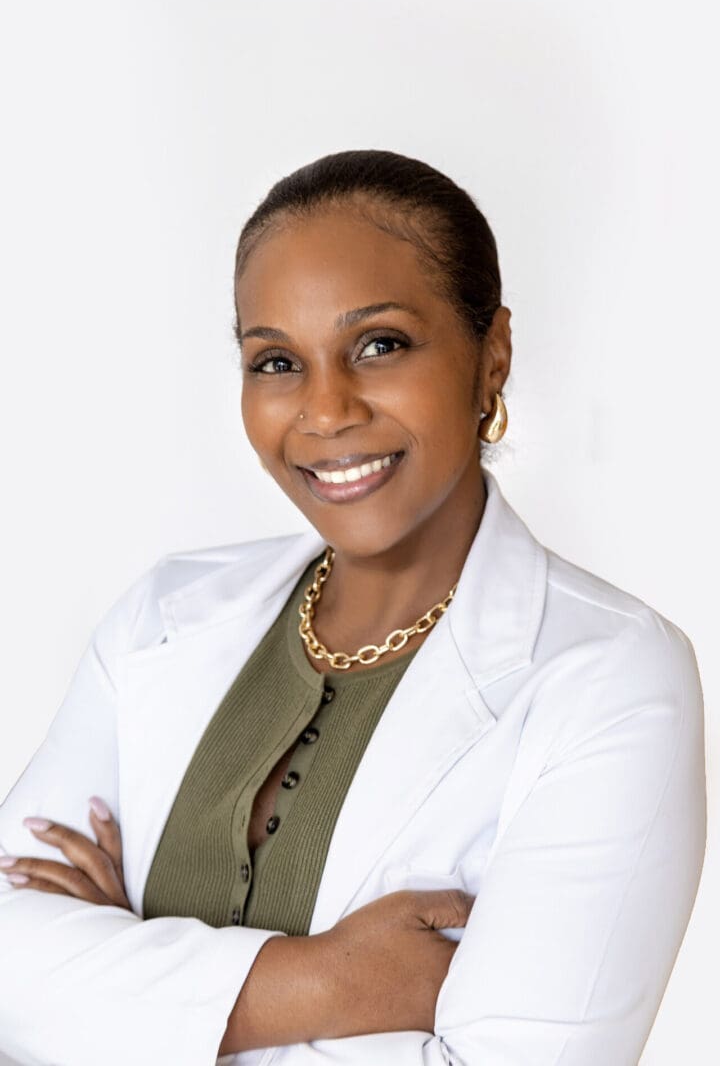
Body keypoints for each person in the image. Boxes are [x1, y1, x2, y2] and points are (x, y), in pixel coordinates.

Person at [0, 150, 706, 1066]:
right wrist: (325, 985)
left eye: (379, 345)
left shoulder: (613, 677)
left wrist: (106, 985)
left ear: (491, 354)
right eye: (277, 361)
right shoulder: (167, 612)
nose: (324, 411)